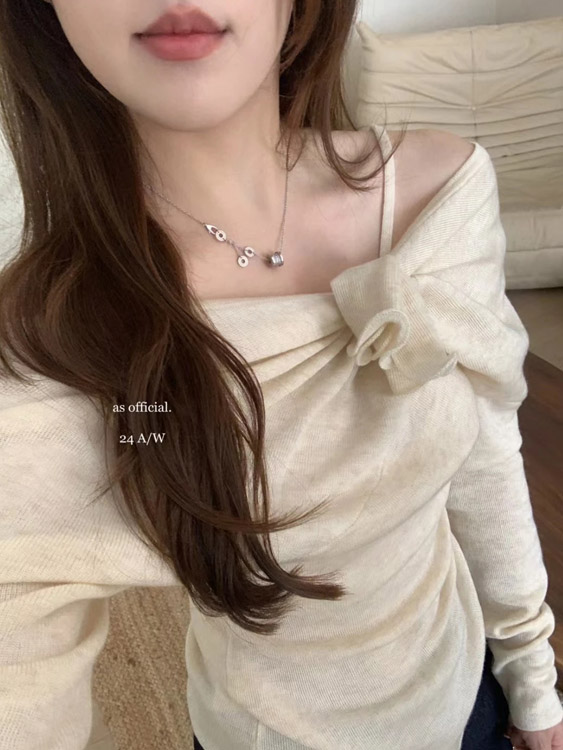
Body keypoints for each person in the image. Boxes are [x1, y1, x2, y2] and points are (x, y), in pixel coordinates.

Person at [0, 1, 561, 749]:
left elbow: (487, 451)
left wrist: (529, 668)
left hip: (466, 698)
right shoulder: (50, 351)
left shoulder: (442, 197)